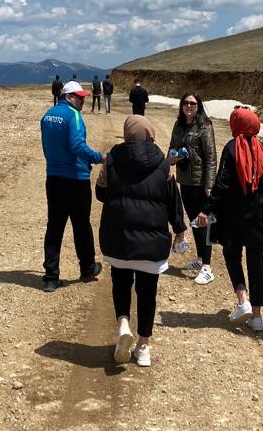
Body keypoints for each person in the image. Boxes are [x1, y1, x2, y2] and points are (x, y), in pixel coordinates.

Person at [96, 115, 187, 368]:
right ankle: (143, 346)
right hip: (152, 243)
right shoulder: (162, 163)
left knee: (121, 283)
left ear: (127, 134)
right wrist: (179, 229)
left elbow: (101, 195)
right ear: (150, 134)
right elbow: (172, 200)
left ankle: (124, 323)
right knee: (147, 293)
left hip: (119, 240)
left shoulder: (113, 159)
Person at [196, 106, 263, 332]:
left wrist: (207, 209)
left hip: (234, 217)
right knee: (256, 264)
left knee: (232, 256)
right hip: (260, 219)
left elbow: (221, 184)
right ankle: (257, 318)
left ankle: (243, 301)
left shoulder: (232, 149)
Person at [40, 81, 104, 292]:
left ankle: (51, 276)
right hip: (76, 178)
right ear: (68, 97)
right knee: (81, 225)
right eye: (79, 97)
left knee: (54, 226)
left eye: (84, 97)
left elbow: (46, 148)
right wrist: (97, 158)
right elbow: (77, 146)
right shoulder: (73, 116)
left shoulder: (47, 115)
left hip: (54, 178)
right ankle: (87, 268)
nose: (83, 101)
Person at [168, 92, 217, 285]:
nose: (189, 106)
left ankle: (207, 266)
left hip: (199, 182)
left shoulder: (205, 126)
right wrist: (174, 155)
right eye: (186, 103)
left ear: (199, 106)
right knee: (194, 221)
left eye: (193, 103)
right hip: (184, 180)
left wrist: (209, 184)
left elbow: (211, 157)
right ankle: (199, 259)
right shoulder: (178, 125)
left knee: (203, 222)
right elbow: (171, 147)